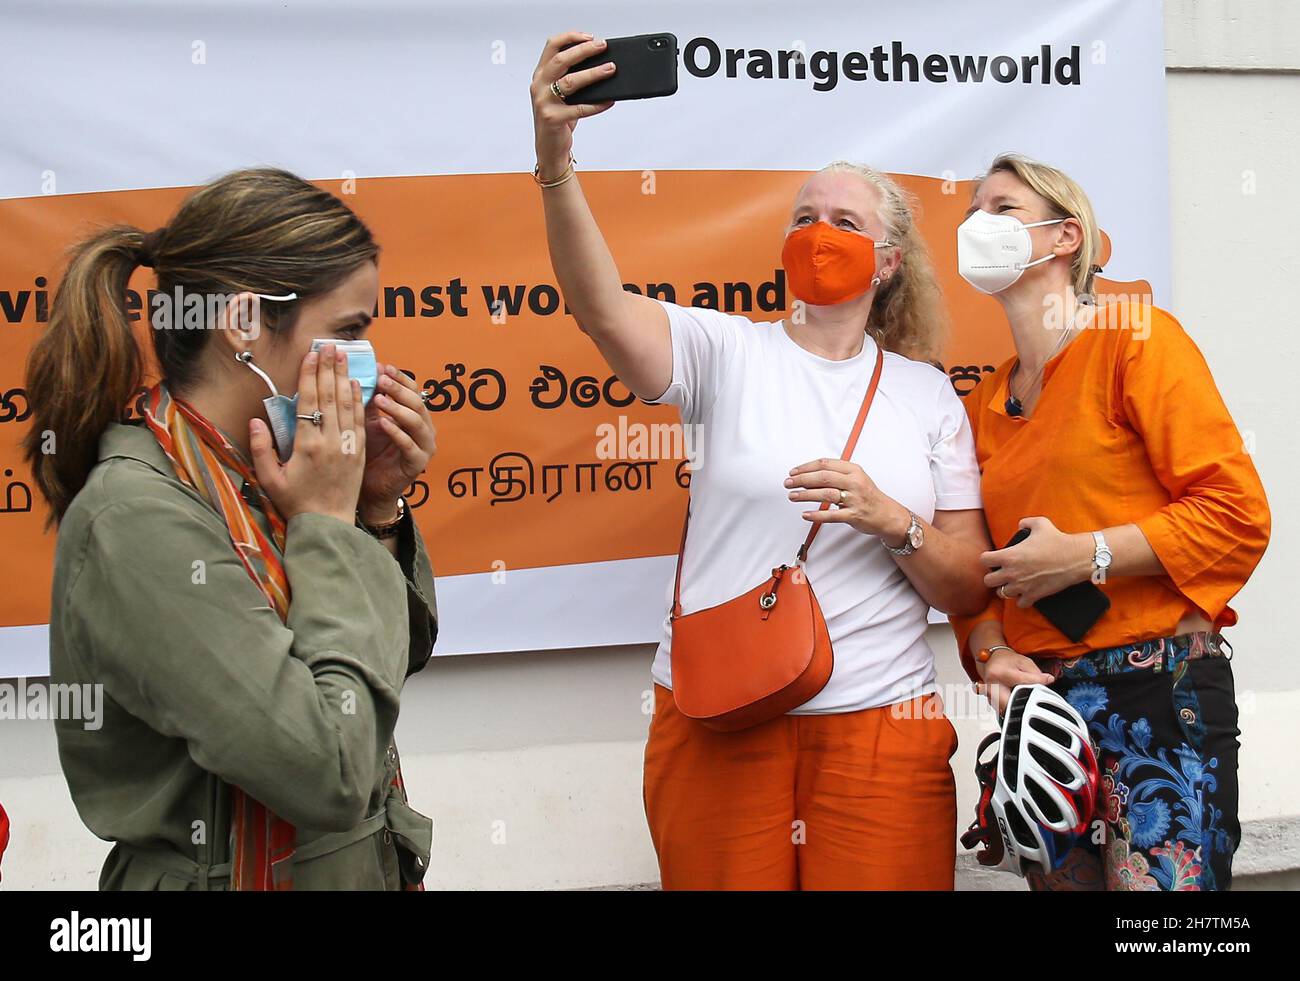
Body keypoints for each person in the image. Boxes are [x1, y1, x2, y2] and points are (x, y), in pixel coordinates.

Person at [530, 31, 992, 889]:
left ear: (888, 263)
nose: (819, 233)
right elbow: (599, 307)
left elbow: (966, 584)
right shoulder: (725, 351)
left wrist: (892, 520)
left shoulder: (928, 396)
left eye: (845, 223)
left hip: (880, 731)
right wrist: (556, 162)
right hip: (720, 716)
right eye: (804, 218)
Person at [24, 167, 440, 890]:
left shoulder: (271, 468)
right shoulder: (138, 518)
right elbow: (329, 770)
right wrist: (330, 523)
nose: (365, 360)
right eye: (346, 331)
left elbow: (375, 679)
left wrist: (376, 508)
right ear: (244, 325)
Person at [951, 153, 1270, 891]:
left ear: (1065, 238)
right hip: (1044, 712)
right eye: (972, 209)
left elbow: (1236, 515)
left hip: (1159, 690)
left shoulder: (1139, 339)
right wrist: (990, 650)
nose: (978, 223)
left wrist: (1087, 555)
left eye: (1001, 208)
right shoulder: (986, 400)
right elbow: (982, 573)